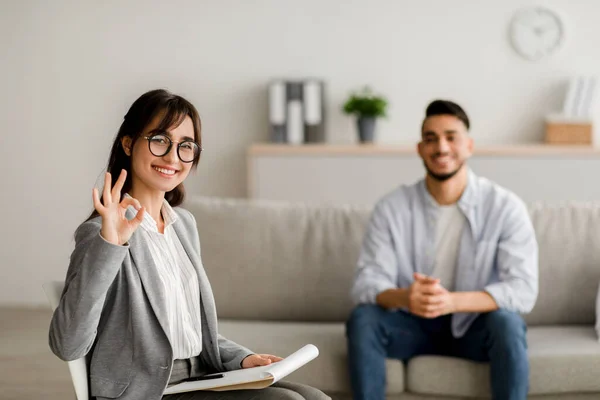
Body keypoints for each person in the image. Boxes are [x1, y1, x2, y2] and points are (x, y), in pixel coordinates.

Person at [49, 89, 329, 400]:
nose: (172, 157)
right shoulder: (99, 234)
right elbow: (67, 344)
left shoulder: (183, 225)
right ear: (128, 143)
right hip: (148, 390)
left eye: (186, 146)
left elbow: (189, 331)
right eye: (159, 140)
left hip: (200, 376)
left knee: (314, 397)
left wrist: (243, 360)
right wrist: (110, 245)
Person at [346, 100, 538, 400]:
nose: (441, 147)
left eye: (451, 137)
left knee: (508, 323)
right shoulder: (391, 208)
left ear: (469, 145)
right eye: (431, 139)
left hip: (475, 328)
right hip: (411, 327)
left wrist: (452, 302)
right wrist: (406, 297)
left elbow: (523, 290)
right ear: (420, 148)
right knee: (364, 318)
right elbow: (366, 283)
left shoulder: (505, 207)